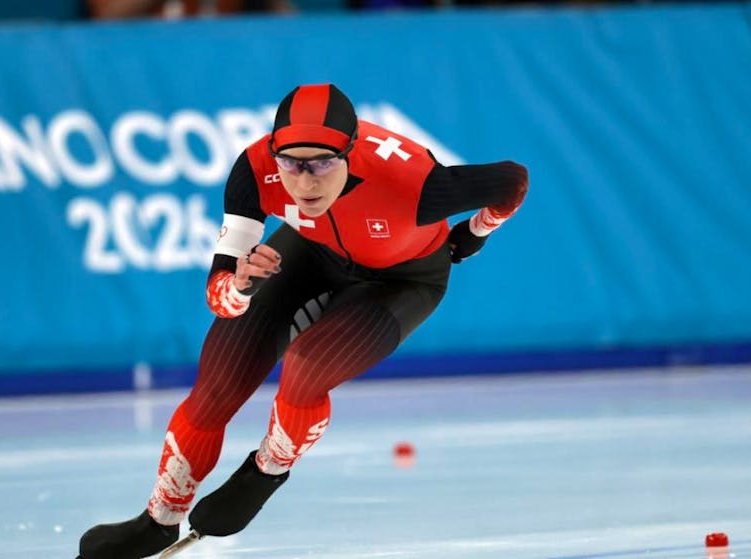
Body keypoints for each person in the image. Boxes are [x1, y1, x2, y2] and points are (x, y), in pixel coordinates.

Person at [76, 83, 528, 559]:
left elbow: (512, 181)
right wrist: (242, 284)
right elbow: (220, 300)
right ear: (275, 154)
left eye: (323, 165)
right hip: (311, 250)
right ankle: (159, 520)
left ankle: (267, 470)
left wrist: (474, 234)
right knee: (215, 385)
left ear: (350, 154)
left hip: (404, 278)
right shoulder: (254, 170)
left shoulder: (417, 185)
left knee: (306, 365)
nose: (307, 183)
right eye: (292, 165)